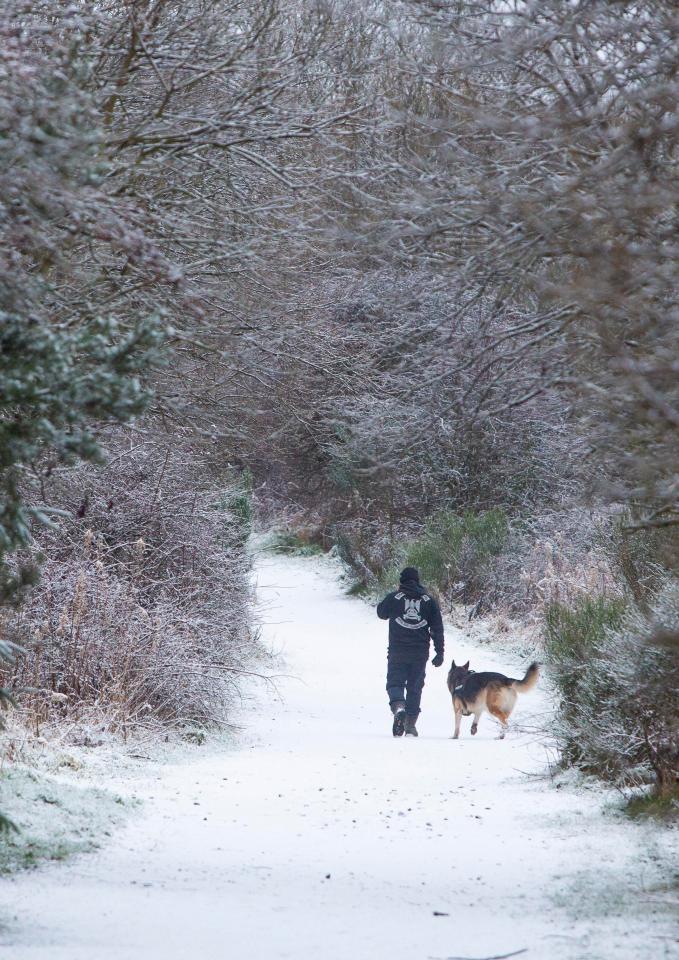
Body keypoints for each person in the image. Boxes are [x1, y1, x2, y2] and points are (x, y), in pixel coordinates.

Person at [376, 566, 445, 737]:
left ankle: (399, 708)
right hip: (420, 653)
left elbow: (381, 613)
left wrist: (393, 597)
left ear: (402, 581)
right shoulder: (429, 601)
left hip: (397, 651)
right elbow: (437, 628)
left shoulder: (394, 597)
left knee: (395, 683)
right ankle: (410, 725)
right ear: (418, 581)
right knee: (415, 688)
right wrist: (439, 652)